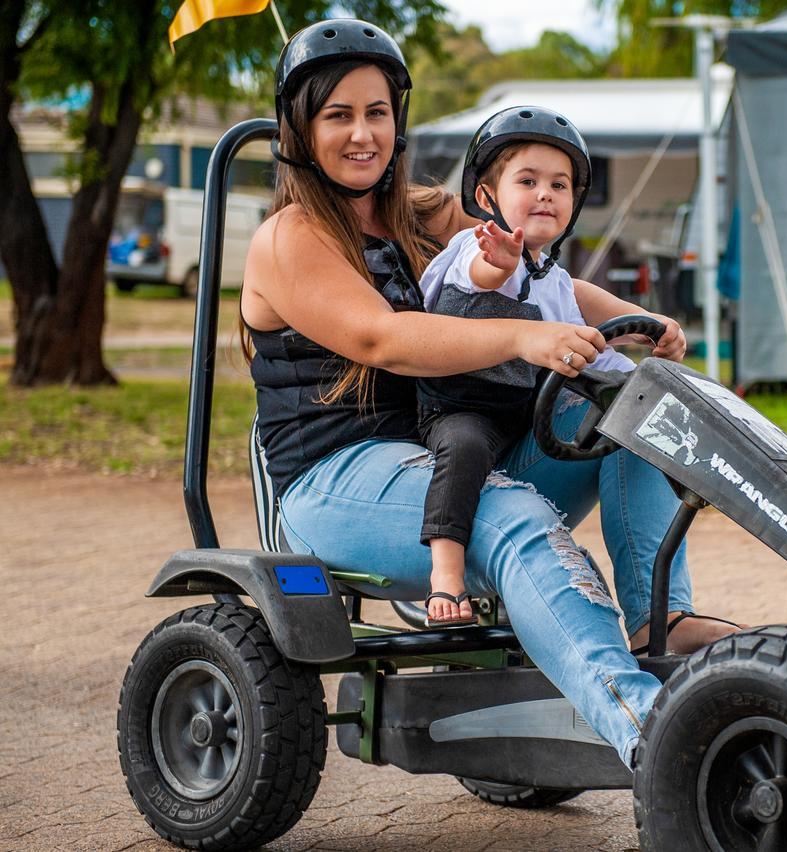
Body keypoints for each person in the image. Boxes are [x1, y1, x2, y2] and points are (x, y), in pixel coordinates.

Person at [239, 18, 737, 767]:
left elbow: (532, 265)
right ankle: (650, 729)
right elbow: (382, 339)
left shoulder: (423, 210)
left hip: (444, 452)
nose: (362, 133)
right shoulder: (287, 239)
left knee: (632, 413)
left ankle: (655, 620)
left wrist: (636, 324)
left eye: (376, 112)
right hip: (333, 483)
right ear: (299, 128)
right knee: (509, 513)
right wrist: (520, 338)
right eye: (337, 115)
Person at [414, 107, 653, 626]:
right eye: (528, 181)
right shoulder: (473, 249)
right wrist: (495, 262)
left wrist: (641, 362)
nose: (545, 193)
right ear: (486, 197)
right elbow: (476, 279)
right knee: (465, 445)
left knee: (628, 406)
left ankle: (657, 613)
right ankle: (446, 574)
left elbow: (591, 351)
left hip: (524, 416)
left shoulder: (558, 282)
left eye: (559, 185)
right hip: (459, 406)